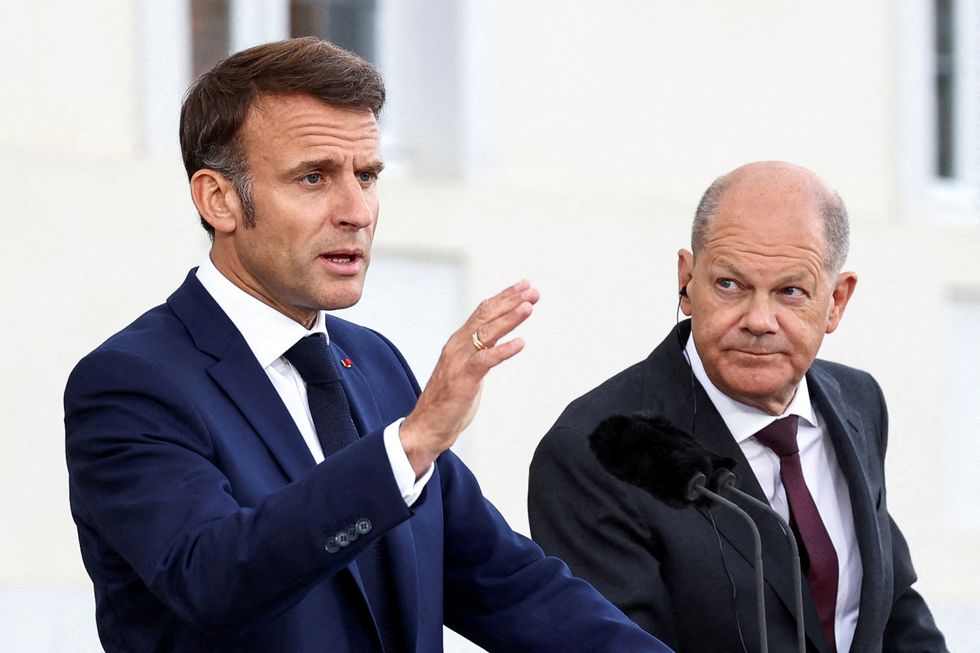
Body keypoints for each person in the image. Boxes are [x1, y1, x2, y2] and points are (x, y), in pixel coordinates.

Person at [64, 38, 671, 653]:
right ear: (219, 199)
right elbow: (212, 580)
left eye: (368, 176)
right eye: (313, 177)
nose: (356, 211)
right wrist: (408, 446)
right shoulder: (130, 382)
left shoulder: (374, 363)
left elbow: (506, 584)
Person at [528, 161, 949, 653]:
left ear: (836, 301)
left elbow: (890, 607)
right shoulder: (596, 449)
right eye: (731, 285)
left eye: (790, 291)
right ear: (687, 281)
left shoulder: (858, 402)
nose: (758, 320)